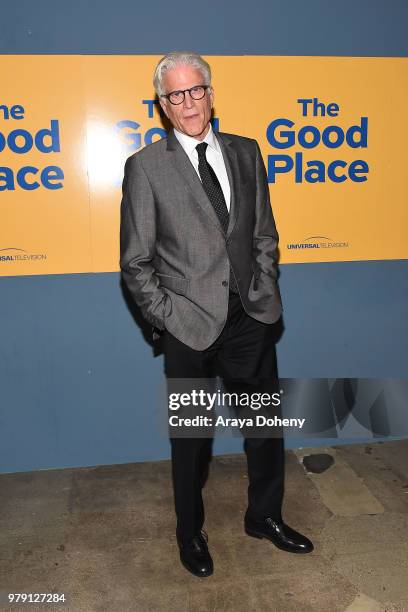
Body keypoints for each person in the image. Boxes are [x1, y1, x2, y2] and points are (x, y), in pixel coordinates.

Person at [120, 51, 313, 577]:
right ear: (162, 105)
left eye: (196, 90)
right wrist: (167, 316)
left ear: (210, 91)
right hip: (189, 326)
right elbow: (135, 262)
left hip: (249, 316)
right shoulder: (146, 167)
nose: (189, 103)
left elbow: (264, 233)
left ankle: (264, 516)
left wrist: (265, 287)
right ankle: (190, 533)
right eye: (176, 95)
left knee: (265, 428)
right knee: (192, 440)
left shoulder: (246, 152)